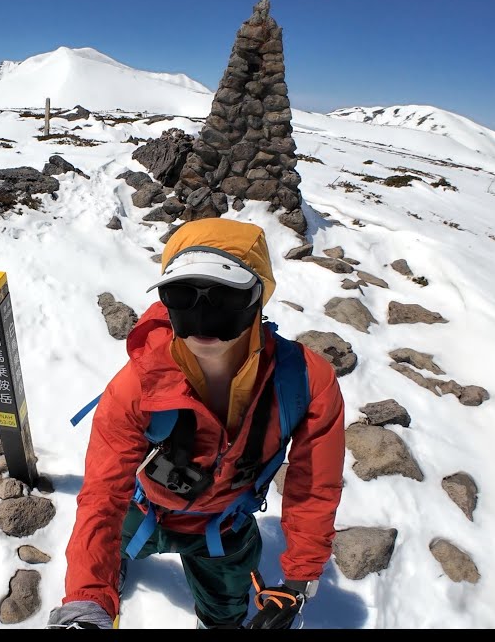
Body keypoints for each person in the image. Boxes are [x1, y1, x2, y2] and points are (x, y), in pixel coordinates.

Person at [46, 217, 345, 629]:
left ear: (259, 297)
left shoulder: (306, 382)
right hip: (144, 507)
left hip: (224, 523)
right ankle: (110, 574)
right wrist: (87, 599)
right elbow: (102, 498)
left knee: (225, 617)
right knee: (107, 545)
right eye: (182, 296)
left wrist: (297, 581)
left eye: (225, 296)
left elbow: (313, 487)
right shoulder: (137, 386)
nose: (203, 318)